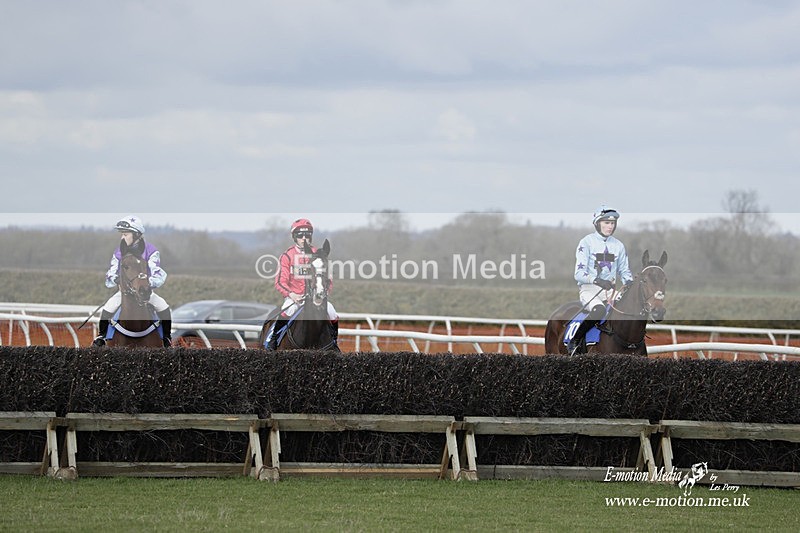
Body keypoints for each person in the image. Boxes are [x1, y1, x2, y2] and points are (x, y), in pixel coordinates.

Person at [92, 215, 172, 347]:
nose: (122, 238)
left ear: (136, 235)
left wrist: (146, 285)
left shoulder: (151, 251)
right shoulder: (119, 252)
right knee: (108, 307)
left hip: (144, 292)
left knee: (163, 306)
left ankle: (167, 339)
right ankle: (102, 337)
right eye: (122, 234)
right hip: (124, 292)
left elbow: (158, 274)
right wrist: (115, 278)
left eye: (125, 234)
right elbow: (111, 273)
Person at [567, 205, 633, 355]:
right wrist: (597, 280)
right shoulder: (586, 242)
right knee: (599, 310)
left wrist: (628, 282)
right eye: (606, 223)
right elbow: (578, 274)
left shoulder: (619, 246)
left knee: (629, 307)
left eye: (612, 223)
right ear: (597, 223)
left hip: (610, 291)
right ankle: (575, 341)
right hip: (589, 290)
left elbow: (624, 270)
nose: (610, 227)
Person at [265, 218, 339, 350]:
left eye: (307, 234)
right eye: (300, 235)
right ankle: (274, 339)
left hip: (315, 298)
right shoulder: (287, 256)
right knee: (289, 309)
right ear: (295, 236)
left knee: (332, 312)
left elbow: (328, 279)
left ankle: (333, 341)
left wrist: (324, 292)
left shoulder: (318, 254)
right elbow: (280, 282)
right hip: (295, 298)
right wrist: (291, 294)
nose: (304, 238)